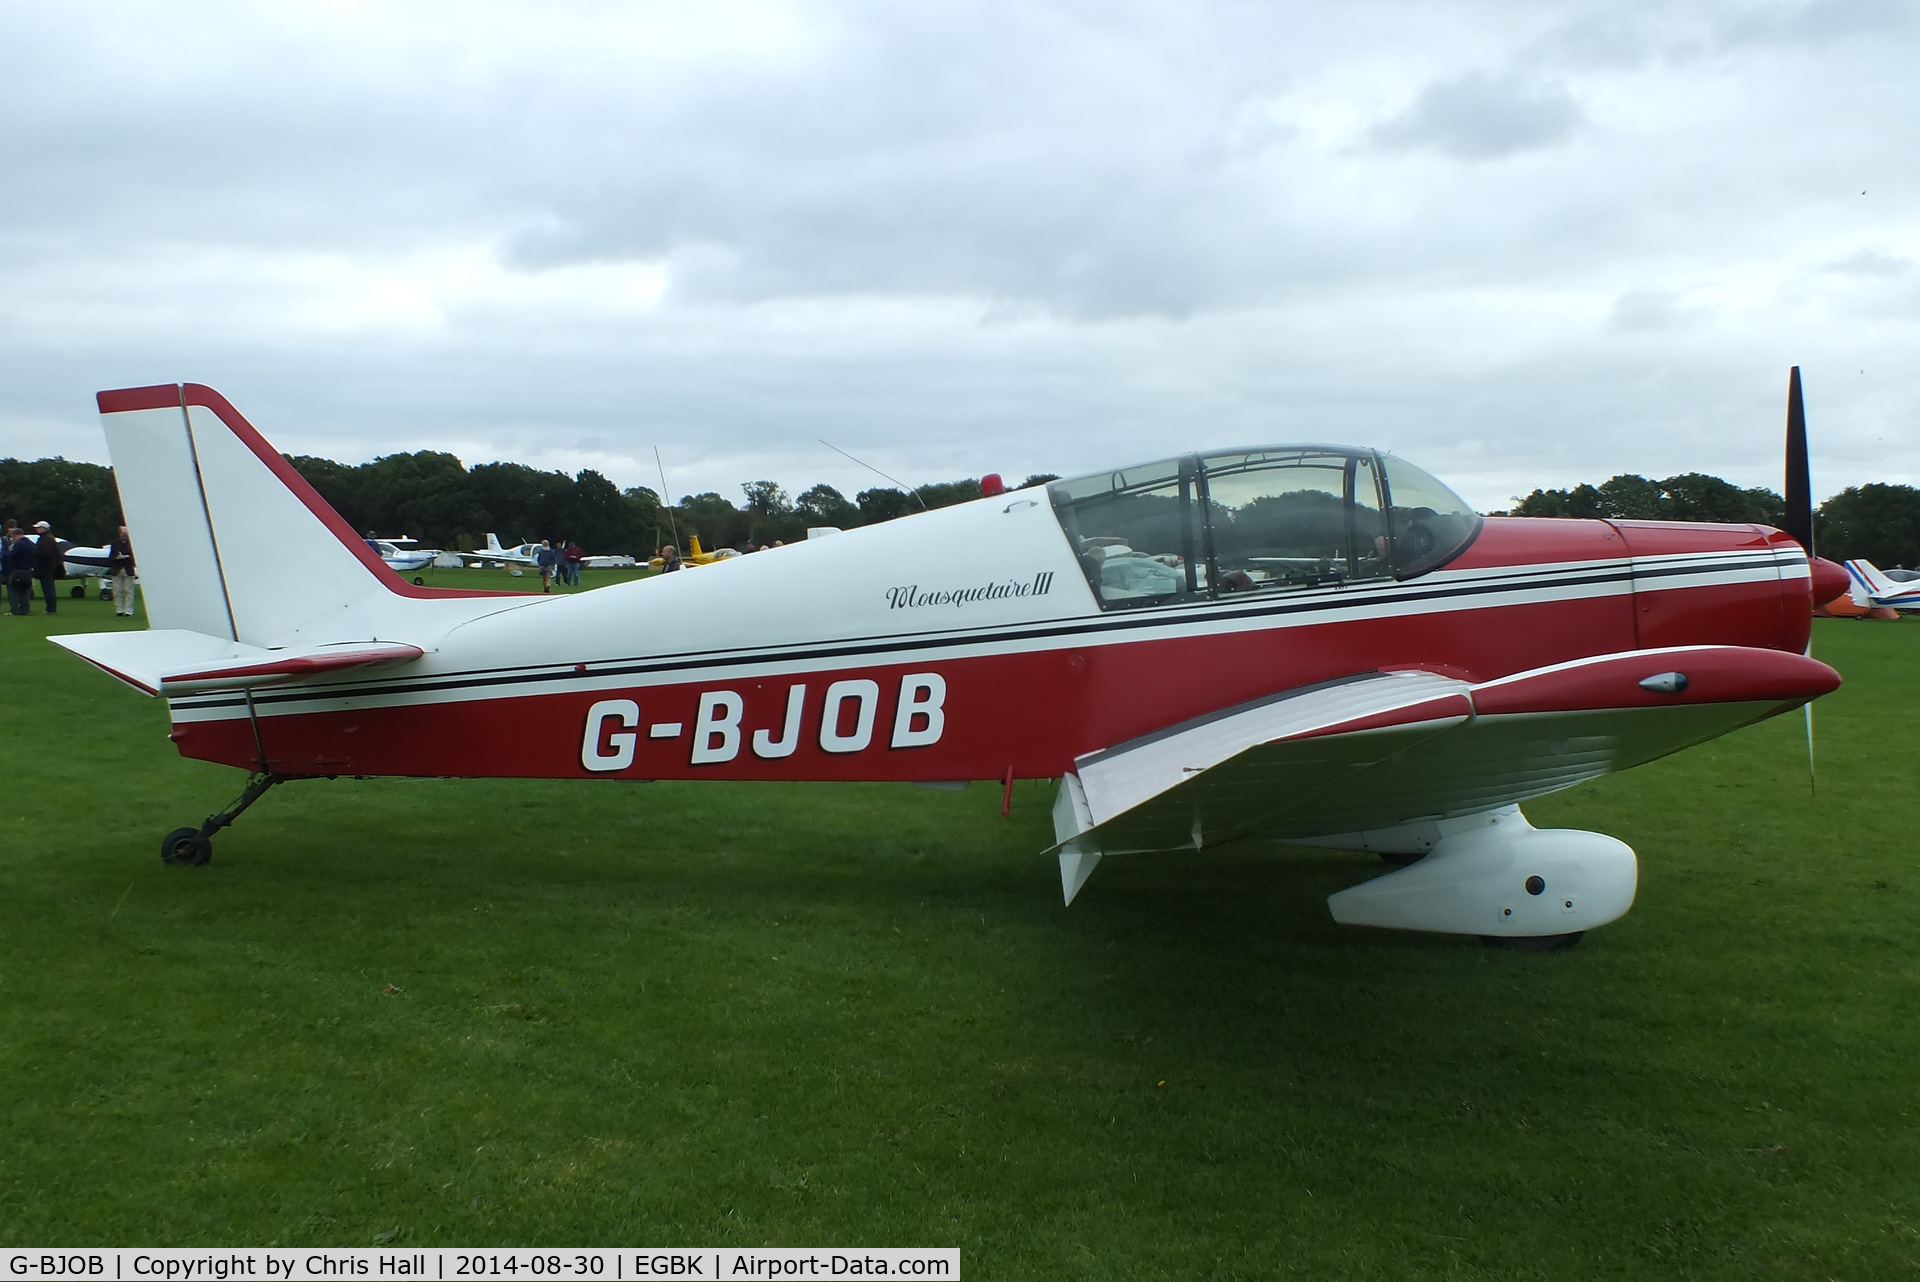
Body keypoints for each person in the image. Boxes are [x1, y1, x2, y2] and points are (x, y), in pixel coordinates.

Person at [5, 527, 35, 616]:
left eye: (13, 537)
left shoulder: (19, 544)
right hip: (28, 571)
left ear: (16, 535)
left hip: (18, 570)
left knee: (13, 590)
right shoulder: (31, 543)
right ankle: (25, 610)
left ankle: (15, 610)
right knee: (25, 591)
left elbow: (11, 555)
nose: (12, 539)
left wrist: (8, 552)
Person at [108, 525, 137, 617]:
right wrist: (117, 557)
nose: (125, 535)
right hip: (117, 570)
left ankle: (128, 610)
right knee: (118, 591)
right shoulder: (114, 544)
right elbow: (111, 557)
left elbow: (135, 557)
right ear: (120, 534)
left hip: (128, 570)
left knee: (129, 591)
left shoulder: (132, 543)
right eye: (123, 533)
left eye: (126, 534)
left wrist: (128, 557)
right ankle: (119, 610)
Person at [31, 521, 59, 614]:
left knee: (48, 589)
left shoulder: (47, 539)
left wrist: (35, 552)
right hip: (46, 567)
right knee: (47, 588)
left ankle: (51, 609)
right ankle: (50, 608)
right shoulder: (47, 538)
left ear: (44, 528)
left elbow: (46, 553)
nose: (36, 529)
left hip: (46, 567)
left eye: (38, 527)